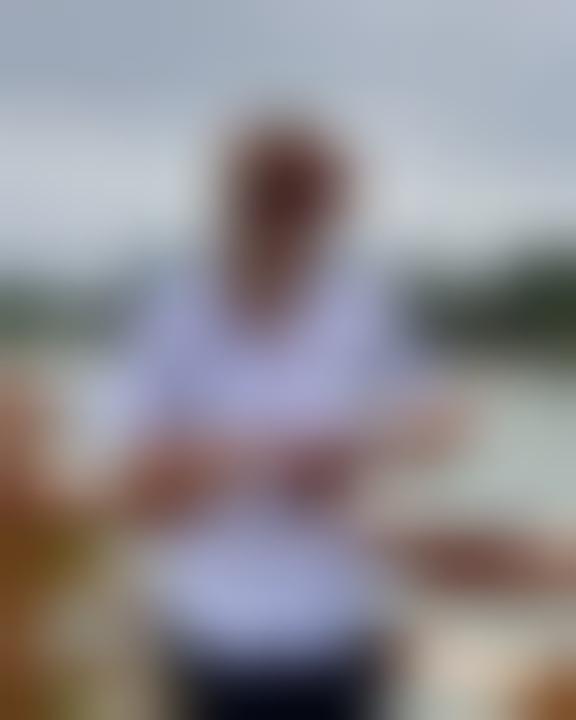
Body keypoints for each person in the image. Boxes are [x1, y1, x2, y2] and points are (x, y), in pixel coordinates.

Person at [111, 119, 571, 719]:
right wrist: (258, 457)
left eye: (311, 211)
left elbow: (445, 423)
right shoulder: (173, 316)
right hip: (213, 631)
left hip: (337, 627)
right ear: (240, 205)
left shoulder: (360, 307)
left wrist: (362, 446)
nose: (296, 229)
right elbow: (133, 479)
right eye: (280, 206)